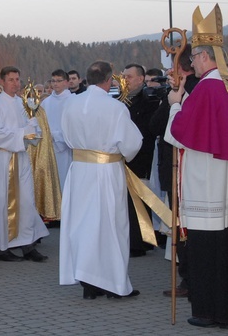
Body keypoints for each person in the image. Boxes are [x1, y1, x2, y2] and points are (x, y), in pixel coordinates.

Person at [165, 4, 228, 329]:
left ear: (204, 56)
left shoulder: (207, 87)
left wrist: (175, 105)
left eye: (193, 58)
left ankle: (210, 311)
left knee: (207, 249)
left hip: (208, 183)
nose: (191, 63)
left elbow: (182, 134)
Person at [60, 61, 143, 299]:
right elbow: (131, 143)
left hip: (79, 171)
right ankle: (115, 284)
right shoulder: (115, 108)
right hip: (106, 171)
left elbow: (66, 137)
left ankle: (89, 282)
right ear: (109, 81)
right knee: (111, 225)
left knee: (82, 225)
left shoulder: (71, 104)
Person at [0, 66, 49, 262]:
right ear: (3, 81)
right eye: (11, 80)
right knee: (1, 202)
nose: (15, 83)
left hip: (21, 157)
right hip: (1, 159)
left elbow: (33, 130)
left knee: (26, 200)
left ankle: (27, 244)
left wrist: (33, 131)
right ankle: (0, 248)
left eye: (17, 79)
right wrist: (24, 133)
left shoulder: (23, 103)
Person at [149, 46, 198, 298]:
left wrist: (172, 102)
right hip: (180, 169)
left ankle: (190, 280)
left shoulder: (189, 90)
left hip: (183, 171)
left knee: (185, 230)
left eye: (172, 64)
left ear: (180, 66)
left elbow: (157, 126)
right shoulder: (192, 87)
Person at [121, 63, 159, 257]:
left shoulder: (147, 100)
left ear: (140, 79)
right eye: (124, 76)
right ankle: (136, 239)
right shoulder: (122, 100)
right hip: (126, 154)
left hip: (141, 154)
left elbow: (146, 130)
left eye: (128, 76)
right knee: (129, 200)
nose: (125, 80)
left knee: (139, 198)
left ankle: (139, 242)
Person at [41, 69, 72, 191]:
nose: (55, 84)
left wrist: (57, 136)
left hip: (67, 148)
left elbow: (73, 125)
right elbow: (40, 122)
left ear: (66, 82)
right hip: (49, 146)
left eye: (59, 81)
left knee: (65, 181)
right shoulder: (46, 102)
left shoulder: (73, 100)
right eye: (53, 81)